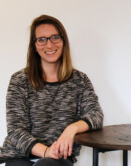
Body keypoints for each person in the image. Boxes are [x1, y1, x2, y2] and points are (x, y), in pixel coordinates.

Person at [0, 15, 104, 166]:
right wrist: (45, 151)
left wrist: (71, 129)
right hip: (19, 156)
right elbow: (16, 132)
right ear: (34, 46)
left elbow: (96, 115)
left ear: (63, 41)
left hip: (57, 160)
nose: (49, 45)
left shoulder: (79, 80)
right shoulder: (19, 80)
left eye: (55, 37)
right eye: (42, 39)